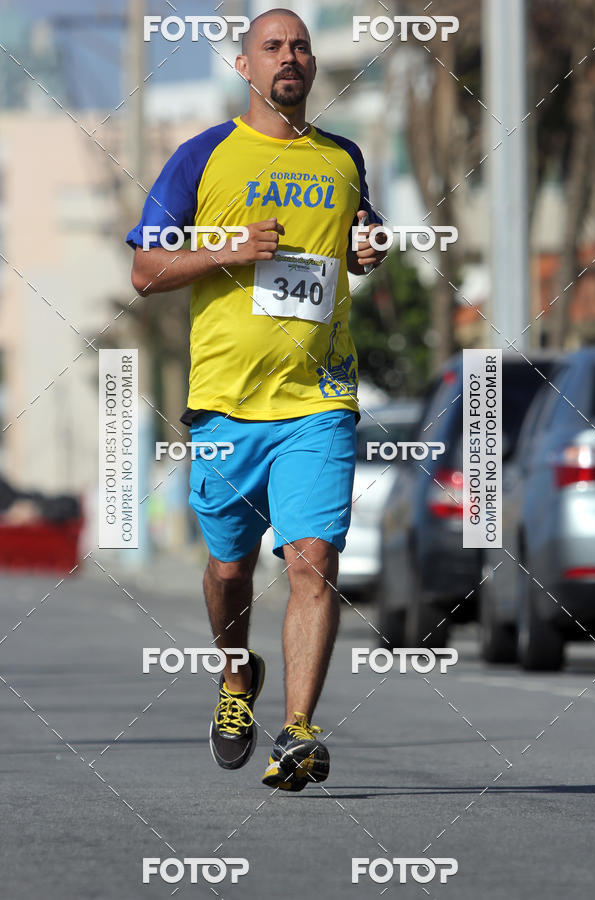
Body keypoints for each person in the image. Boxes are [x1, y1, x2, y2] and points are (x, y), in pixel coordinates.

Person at [126, 8, 385, 792]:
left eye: (301, 46)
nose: (291, 57)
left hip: (319, 400)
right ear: (245, 66)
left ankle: (300, 731)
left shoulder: (344, 158)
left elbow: (358, 237)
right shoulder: (204, 156)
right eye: (272, 47)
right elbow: (144, 268)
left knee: (313, 564)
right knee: (229, 574)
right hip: (225, 407)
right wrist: (229, 247)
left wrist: (368, 245)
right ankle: (236, 679)